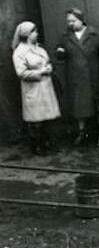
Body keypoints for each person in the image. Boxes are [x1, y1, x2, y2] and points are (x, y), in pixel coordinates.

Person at [54, 8, 99, 146]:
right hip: (76, 79)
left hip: (94, 77)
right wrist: (59, 52)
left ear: (81, 20)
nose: (70, 24)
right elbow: (60, 53)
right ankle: (81, 131)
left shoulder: (95, 35)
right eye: (68, 21)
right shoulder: (65, 37)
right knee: (78, 106)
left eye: (73, 21)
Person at [11, 21, 60, 155]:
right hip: (33, 89)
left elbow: (47, 62)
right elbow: (21, 73)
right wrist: (41, 72)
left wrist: (49, 67)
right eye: (34, 31)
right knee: (36, 120)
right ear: (27, 34)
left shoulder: (40, 49)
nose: (37, 34)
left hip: (46, 87)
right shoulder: (19, 52)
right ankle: (37, 145)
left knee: (47, 118)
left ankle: (47, 142)